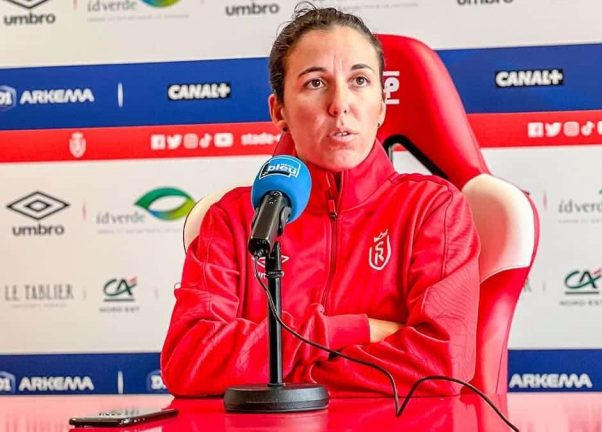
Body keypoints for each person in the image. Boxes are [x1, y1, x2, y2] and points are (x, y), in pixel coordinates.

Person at [160, 4, 480, 397]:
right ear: (279, 111)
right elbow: (189, 361)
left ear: (381, 105)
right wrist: (350, 329)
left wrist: (283, 380)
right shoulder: (232, 217)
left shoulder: (434, 208)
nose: (339, 104)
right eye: (315, 83)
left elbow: (442, 364)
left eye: (360, 80)